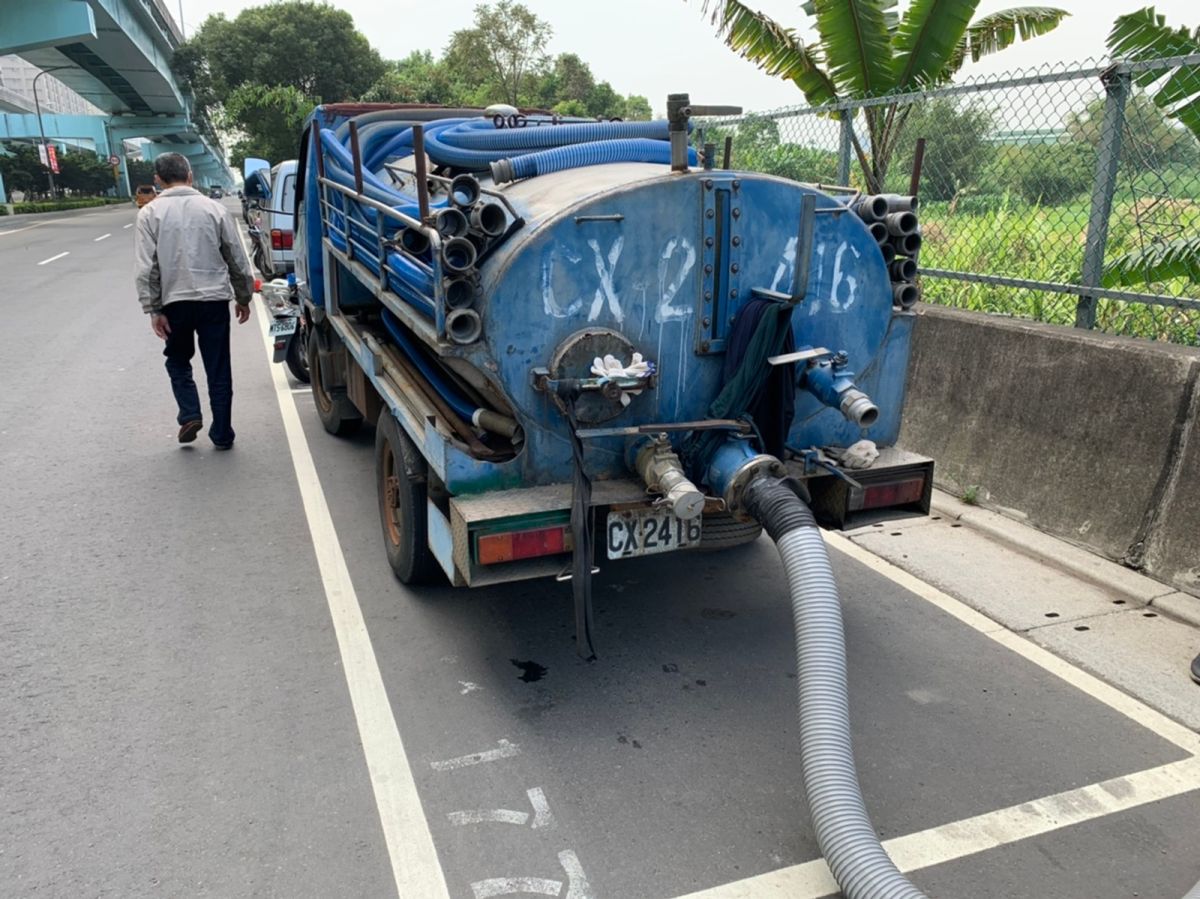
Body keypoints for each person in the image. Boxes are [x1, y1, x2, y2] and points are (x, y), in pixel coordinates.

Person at [134, 153, 255, 449]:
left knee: (177, 361)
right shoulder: (213, 209)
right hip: (213, 301)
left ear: (158, 180)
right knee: (218, 368)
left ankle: (190, 413)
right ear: (190, 176)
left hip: (175, 303)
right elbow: (236, 258)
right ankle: (222, 433)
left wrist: (154, 310)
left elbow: (147, 268)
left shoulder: (149, 214)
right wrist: (243, 296)